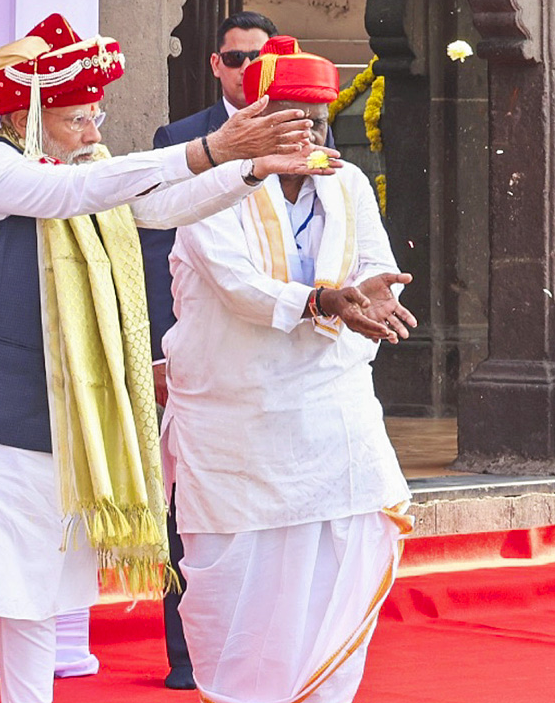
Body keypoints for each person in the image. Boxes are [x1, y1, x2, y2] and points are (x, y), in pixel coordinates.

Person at [0, 13, 336, 703]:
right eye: (79, 119)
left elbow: (160, 209)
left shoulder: (89, 168)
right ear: (30, 113)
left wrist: (248, 168)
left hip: (52, 406)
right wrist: (211, 149)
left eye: (97, 116)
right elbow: (71, 196)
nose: (95, 133)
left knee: (42, 586)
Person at [161, 35, 416, 703]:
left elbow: (370, 263)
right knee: (245, 582)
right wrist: (324, 300)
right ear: (258, 115)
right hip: (239, 422)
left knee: (350, 549)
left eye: (321, 121)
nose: (310, 135)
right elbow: (239, 288)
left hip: (332, 410)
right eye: (294, 120)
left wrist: (375, 293)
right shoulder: (210, 187)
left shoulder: (348, 180)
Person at [138, 9, 279, 689]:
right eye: (238, 57)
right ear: (216, 65)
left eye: (261, 55)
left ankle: (260, 643)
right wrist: (162, 352)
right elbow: (157, 246)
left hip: (271, 351)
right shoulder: (181, 138)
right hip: (197, 352)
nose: (250, 66)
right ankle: (187, 654)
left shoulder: (303, 129)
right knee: (190, 506)